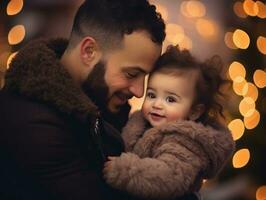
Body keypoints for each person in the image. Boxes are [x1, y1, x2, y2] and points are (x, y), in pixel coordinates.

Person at [0, 0, 166, 199]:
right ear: (89, 52)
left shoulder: (99, 103)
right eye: (131, 74)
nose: (140, 91)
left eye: (145, 77)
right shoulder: (34, 126)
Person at [103, 46, 235, 200]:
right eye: (152, 95)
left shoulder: (185, 142)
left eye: (170, 99)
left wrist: (125, 170)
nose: (157, 104)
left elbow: (168, 177)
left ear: (194, 112)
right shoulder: (140, 123)